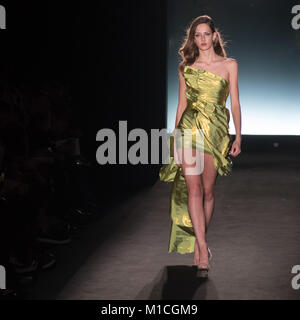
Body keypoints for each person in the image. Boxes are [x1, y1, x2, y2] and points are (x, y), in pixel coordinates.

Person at [159, 15, 242, 277]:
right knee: (193, 188)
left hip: (215, 131)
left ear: (215, 36)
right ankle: (203, 248)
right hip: (189, 128)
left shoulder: (230, 65)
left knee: (207, 191)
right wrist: (174, 138)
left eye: (207, 34)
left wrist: (238, 136)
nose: (203, 39)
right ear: (193, 39)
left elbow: (235, 102)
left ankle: (198, 242)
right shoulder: (186, 67)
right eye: (198, 35)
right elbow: (181, 104)